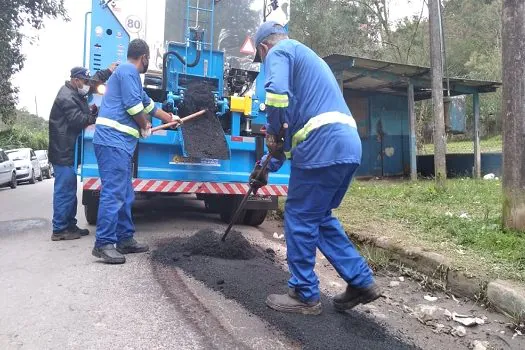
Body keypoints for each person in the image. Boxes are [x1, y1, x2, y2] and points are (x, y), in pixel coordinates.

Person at [250, 21, 380, 315]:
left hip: (322, 145)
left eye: (261, 60)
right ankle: (361, 281)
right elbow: (288, 132)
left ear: (263, 49)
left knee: (298, 214)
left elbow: (275, 97)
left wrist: (270, 129)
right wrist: (264, 167)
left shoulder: (278, 52)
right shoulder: (307, 60)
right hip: (346, 145)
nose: (265, 65)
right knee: (317, 216)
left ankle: (304, 294)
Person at [91, 39, 181, 264]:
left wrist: (170, 120)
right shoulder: (128, 71)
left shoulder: (128, 77)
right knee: (113, 192)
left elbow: (149, 105)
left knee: (125, 193)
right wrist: (144, 125)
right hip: (113, 142)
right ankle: (103, 243)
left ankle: (125, 238)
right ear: (144, 58)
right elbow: (134, 108)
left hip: (119, 144)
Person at [48, 65, 114, 241]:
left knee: (69, 190)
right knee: (64, 191)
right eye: (84, 81)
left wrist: (107, 71)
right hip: (62, 151)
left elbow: (92, 84)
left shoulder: (73, 92)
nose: (86, 84)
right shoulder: (66, 96)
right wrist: (95, 116)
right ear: (75, 80)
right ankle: (60, 229)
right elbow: (78, 120)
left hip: (67, 149)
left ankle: (69, 225)